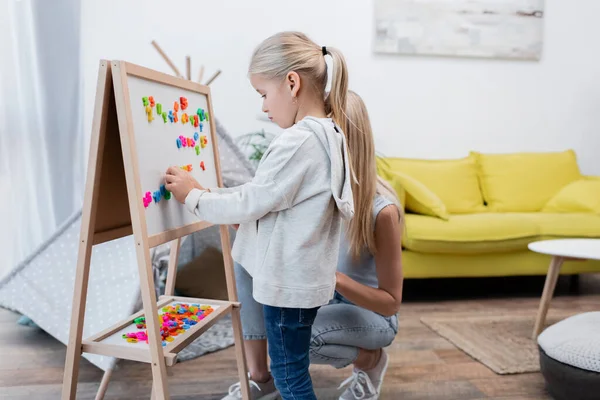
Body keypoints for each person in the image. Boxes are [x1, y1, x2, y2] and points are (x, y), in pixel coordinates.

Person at [165, 31, 354, 400]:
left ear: (292, 83)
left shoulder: (298, 140)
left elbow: (254, 199)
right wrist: (213, 194)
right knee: (291, 368)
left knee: (289, 375)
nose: (265, 107)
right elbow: (275, 199)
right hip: (304, 282)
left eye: (264, 94)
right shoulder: (330, 133)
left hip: (289, 287)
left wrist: (194, 197)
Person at [221, 91, 404, 400]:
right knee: (245, 257)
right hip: (320, 297)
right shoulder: (308, 192)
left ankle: (370, 361)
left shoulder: (380, 212)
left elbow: (390, 303)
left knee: (292, 337)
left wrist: (332, 276)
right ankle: (260, 377)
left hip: (370, 315)